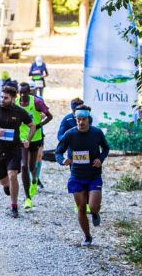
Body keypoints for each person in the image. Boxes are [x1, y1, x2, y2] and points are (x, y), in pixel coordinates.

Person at [55, 105, 109, 247]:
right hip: (77, 176)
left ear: (88, 119)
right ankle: (87, 236)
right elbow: (58, 152)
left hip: (93, 175)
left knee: (93, 206)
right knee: (81, 208)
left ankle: (96, 214)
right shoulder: (70, 134)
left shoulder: (96, 133)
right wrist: (63, 161)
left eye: (83, 119)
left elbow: (106, 148)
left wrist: (100, 159)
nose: (80, 122)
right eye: (78, 119)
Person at [0, 86, 35, 218]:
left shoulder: (19, 111)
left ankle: (14, 206)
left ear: (13, 98)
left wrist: (28, 140)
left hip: (14, 149)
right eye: (1, 97)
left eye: (5, 98)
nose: (2, 99)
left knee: (13, 175)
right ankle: (7, 187)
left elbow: (32, 125)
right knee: (5, 183)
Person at [15, 82, 53, 210]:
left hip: (35, 138)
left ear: (29, 92)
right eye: (21, 93)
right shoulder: (15, 102)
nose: (23, 95)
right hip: (22, 138)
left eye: (25, 92)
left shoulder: (36, 102)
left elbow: (50, 116)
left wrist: (38, 126)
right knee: (24, 166)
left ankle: (35, 179)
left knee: (32, 166)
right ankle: (27, 198)